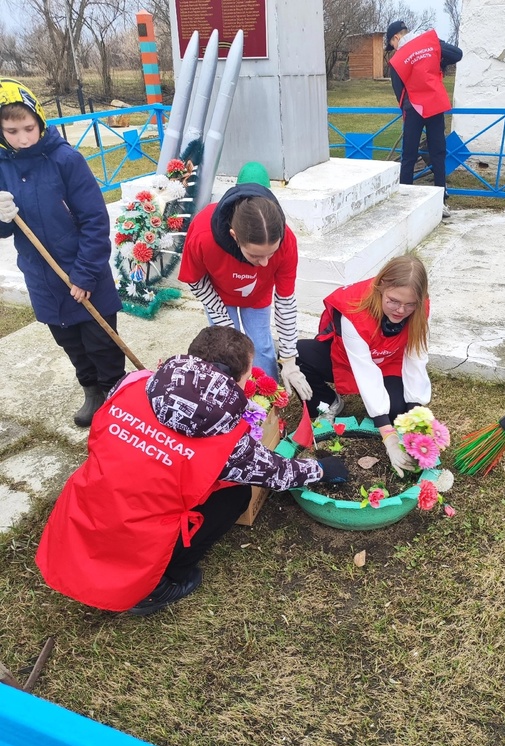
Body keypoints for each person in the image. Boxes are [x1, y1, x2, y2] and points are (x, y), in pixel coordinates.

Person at [35, 326, 348, 616]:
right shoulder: (227, 439)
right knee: (235, 495)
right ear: (238, 377)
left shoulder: (133, 382)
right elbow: (277, 474)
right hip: (137, 538)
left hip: (88, 504)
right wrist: (320, 468)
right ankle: (160, 585)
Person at [0, 78, 125, 427]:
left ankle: (116, 393)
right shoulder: (1, 166)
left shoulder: (66, 160)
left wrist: (84, 275)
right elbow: (6, 231)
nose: (23, 138)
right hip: (41, 275)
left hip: (84, 270)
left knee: (102, 341)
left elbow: (95, 221)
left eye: (28, 128)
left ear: (40, 120)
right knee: (68, 339)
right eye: (12, 131)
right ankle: (92, 391)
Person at [178, 162, 312, 403]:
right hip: (218, 297)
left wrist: (290, 360)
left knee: (261, 347)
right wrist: (223, 320)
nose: (264, 264)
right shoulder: (203, 234)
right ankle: (231, 400)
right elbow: (196, 281)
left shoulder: (287, 241)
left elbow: (285, 302)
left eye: (270, 254)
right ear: (234, 236)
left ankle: (268, 400)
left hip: (257, 297)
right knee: (228, 352)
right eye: (255, 256)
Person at [295, 255, 431, 477]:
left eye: (410, 305)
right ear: (380, 287)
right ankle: (329, 403)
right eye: (393, 301)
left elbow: (416, 358)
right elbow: (365, 371)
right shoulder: (354, 309)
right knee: (298, 353)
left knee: (398, 412)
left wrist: (414, 416)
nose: (400, 310)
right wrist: (388, 435)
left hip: (387, 362)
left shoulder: (420, 308)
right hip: (348, 360)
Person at [385, 21, 463, 219]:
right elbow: (457, 54)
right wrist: (437, 50)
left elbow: (398, 90)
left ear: (396, 38)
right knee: (438, 153)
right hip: (435, 106)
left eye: (391, 44)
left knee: (408, 156)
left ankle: (404, 202)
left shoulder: (399, 58)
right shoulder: (429, 43)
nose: (393, 49)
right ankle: (440, 201)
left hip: (413, 110)